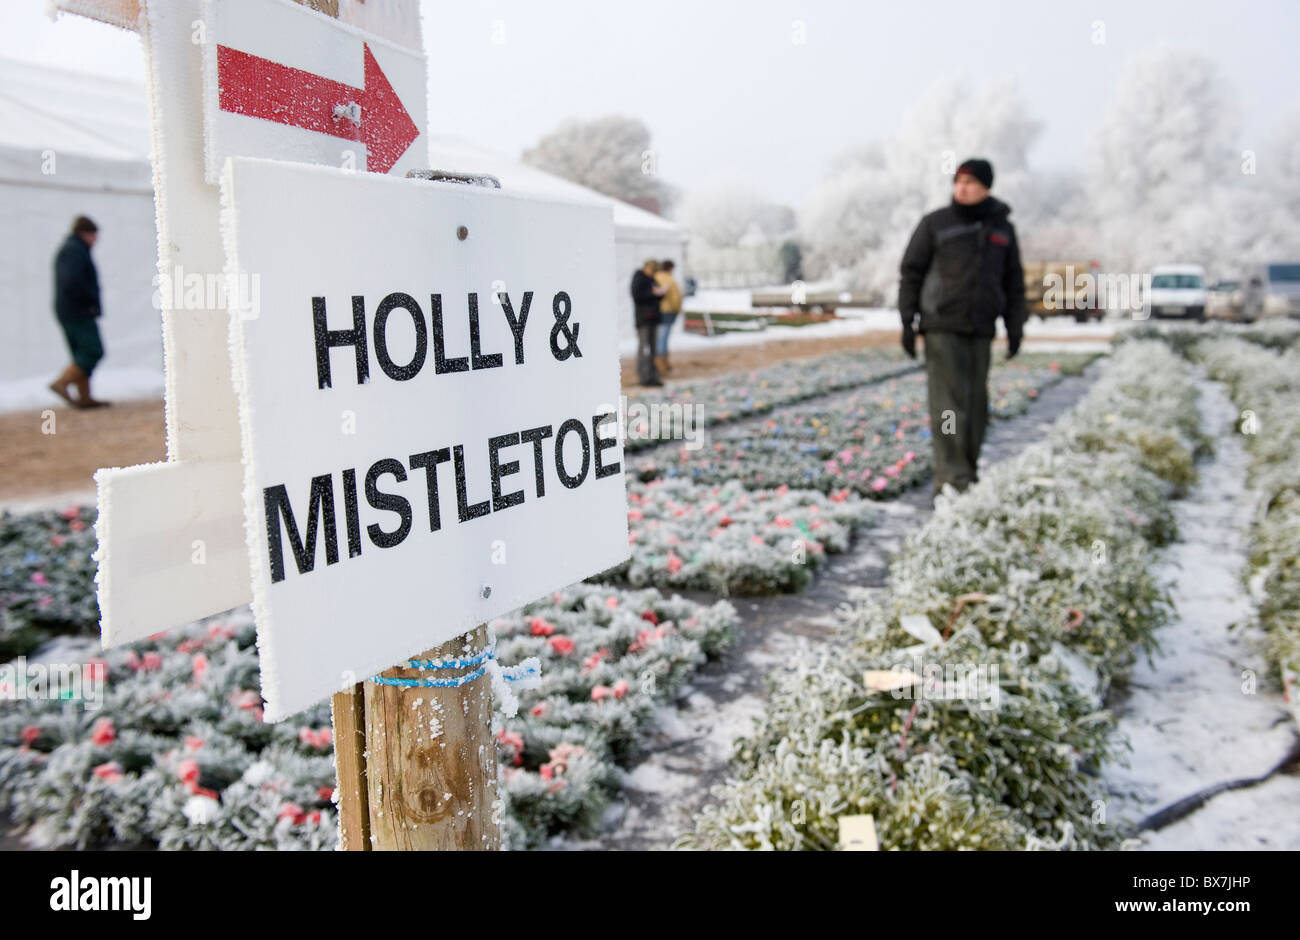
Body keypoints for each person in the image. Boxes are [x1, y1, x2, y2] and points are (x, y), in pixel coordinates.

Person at [898, 158, 1025, 500]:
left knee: (976, 406)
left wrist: (1015, 327)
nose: (962, 188)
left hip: (981, 328)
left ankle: (966, 470)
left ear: (986, 187)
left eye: (970, 182)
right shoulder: (936, 224)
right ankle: (952, 477)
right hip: (942, 326)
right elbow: (911, 272)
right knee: (950, 408)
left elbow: (1014, 282)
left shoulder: (1002, 230)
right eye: (958, 181)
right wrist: (908, 321)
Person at [49, 215, 109, 408]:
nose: (96, 240)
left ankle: (85, 397)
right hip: (78, 311)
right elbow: (72, 281)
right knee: (92, 350)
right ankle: (62, 382)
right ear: (85, 233)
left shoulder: (73, 249)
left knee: (80, 353)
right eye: (94, 235)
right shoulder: (74, 251)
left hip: (70, 310)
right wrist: (88, 300)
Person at [630, 259, 666, 386]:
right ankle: (644, 376)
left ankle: (652, 376)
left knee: (653, 349)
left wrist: (660, 293)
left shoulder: (652, 280)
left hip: (653, 318)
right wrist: (652, 293)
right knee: (644, 349)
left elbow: (657, 296)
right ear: (646, 267)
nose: (653, 273)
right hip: (643, 319)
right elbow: (637, 296)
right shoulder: (639, 278)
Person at [653, 259, 682, 376]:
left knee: (660, 337)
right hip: (668, 311)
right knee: (663, 337)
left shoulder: (656, 277)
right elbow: (675, 297)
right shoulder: (668, 279)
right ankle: (661, 363)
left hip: (658, 311)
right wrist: (677, 308)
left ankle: (661, 362)